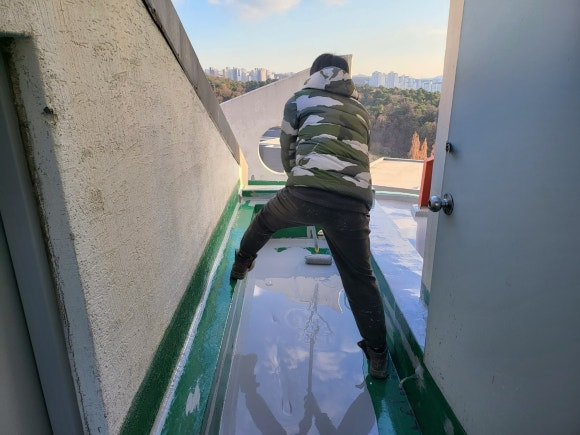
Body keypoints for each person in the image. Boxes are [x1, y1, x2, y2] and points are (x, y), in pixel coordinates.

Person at [230, 53, 388, 379]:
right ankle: (379, 356)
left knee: (264, 222)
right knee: (360, 278)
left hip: (304, 194)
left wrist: (299, 183)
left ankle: (241, 265)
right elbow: (360, 156)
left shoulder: (299, 100)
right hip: (353, 205)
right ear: (346, 77)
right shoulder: (361, 110)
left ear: (315, 73)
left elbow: (288, 150)